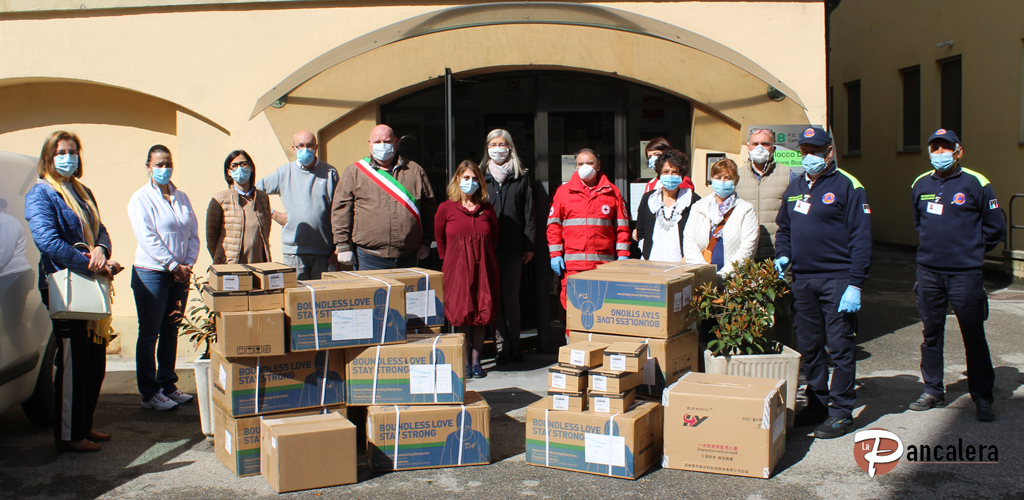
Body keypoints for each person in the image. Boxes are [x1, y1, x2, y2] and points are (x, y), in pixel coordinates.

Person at [24, 130, 122, 452]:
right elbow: (48, 242)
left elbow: (101, 229)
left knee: (94, 362)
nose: (68, 157)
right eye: (61, 152)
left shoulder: (82, 191)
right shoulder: (41, 194)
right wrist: (89, 262)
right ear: (48, 158)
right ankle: (68, 435)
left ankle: (84, 426)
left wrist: (102, 251)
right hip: (63, 285)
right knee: (72, 363)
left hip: (89, 281)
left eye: (73, 151)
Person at [774, 127, 872, 439]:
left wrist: (856, 283)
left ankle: (842, 412)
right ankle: (817, 404)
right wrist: (783, 254)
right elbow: (784, 228)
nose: (809, 157)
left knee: (840, 347)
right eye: (805, 151)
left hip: (837, 280)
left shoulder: (848, 186)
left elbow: (861, 238)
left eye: (816, 151)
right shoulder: (795, 186)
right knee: (810, 346)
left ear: (829, 151)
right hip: (803, 280)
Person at [908, 129, 1005, 422]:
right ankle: (933, 391)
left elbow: (996, 227)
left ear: (958, 151)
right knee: (931, 333)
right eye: (934, 148)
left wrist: (971, 250)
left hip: (965, 274)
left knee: (973, 335)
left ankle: (982, 397)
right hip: (929, 272)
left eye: (945, 148)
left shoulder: (977, 183)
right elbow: (919, 223)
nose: (940, 153)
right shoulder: (920, 183)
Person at [127, 145, 200, 412]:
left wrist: (187, 264)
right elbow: (147, 237)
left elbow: (192, 233)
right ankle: (149, 392)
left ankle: (168, 384)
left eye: (167, 163)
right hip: (152, 273)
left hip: (180, 273)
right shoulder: (141, 198)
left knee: (171, 329)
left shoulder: (181, 197)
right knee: (150, 333)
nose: (164, 168)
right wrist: (171, 264)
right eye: (158, 164)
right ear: (148, 166)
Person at [547, 149, 630, 340]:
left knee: (602, 312)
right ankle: (574, 352)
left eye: (590, 163)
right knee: (572, 312)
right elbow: (553, 226)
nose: (585, 168)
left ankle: (598, 352)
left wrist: (623, 255)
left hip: (603, 267)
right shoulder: (564, 192)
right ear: (575, 166)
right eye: (580, 164)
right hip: (573, 268)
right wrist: (555, 254)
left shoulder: (612, 191)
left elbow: (622, 227)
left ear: (598, 165)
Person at [333, 124, 437, 271]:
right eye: (377, 142)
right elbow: (341, 210)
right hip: (368, 257)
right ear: (370, 143)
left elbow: (429, 210)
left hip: (408, 256)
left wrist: (426, 242)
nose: (382, 146)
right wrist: (342, 244)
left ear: (395, 142)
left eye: (387, 141)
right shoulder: (354, 172)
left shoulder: (414, 171)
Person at [435, 161, 499, 379]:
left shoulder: (487, 209)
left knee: (481, 311)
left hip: (483, 269)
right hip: (457, 270)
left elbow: (494, 238)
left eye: (474, 179)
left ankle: (476, 361)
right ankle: (463, 361)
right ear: (457, 179)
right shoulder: (445, 208)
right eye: (466, 178)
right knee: (462, 313)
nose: (470, 182)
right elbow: (440, 239)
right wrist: (450, 262)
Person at [735, 128, 798, 347]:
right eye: (755, 143)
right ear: (748, 147)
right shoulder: (736, 176)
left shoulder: (789, 175)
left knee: (782, 308)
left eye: (766, 144)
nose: (760, 148)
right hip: (748, 255)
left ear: (773, 148)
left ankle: (786, 351)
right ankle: (750, 352)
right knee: (747, 308)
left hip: (778, 255)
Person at [481, 129, 535, 365]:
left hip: (513, 247)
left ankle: (513, 346)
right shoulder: (481, 178)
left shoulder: (521, 177)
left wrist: (529, 244)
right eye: (493, 144)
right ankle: (499, 346)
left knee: (510, 298)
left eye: (502, 144)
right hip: (488, 248)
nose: (498, 148)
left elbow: (529, 213)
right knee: (493, 298)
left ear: (510, 148)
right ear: (487, 148)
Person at [255, 130, 338, 279]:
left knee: (321, 299)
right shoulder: (284, 173)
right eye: (300, 146)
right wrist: (273, 214)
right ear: (294, 149)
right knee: (296, 298)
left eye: (309, 145)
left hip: (323, 251)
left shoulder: (329, 173)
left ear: (316, 147)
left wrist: (339, 246)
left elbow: (339, 211)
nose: (305, 149)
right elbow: (252, 192)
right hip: (294, 251)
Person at [683, 158, 759, 277]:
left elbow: (747, 248)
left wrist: (724, 275)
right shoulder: (698, 207)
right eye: (718, 177)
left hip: (734, 281)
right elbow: (689, 242)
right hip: (702, 279)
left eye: (728, 178)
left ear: (736, 180)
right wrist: (704, 272)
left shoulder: (746, 209)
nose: (722, 181)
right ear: (712, 179)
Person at [206, 150, 272, 264]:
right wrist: (220, 258)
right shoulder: (220, 200)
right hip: (232, 265)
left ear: (251, 167)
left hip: (259, 262)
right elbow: (211, 236)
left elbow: (266, 229)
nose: (240, 168)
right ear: (229, 172)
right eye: (234, 166)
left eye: (243, 164)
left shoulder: (262, 198)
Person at [635, 149, 699, 262]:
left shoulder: (692, 200)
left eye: (675, 172)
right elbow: (640, 232)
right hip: (652, 264)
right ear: (660, 174)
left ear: (682, 175)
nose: (670, 175)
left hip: (682, 264)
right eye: (665, 172)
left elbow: (699, 234)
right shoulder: (649, 199)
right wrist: (645, 251)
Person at [0, 197, 33, 333]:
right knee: (10, 322)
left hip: (13, 276)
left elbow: (4, 252)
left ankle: (26, 348)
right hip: (9, 275)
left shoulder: (6, 222)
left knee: (12, 322)